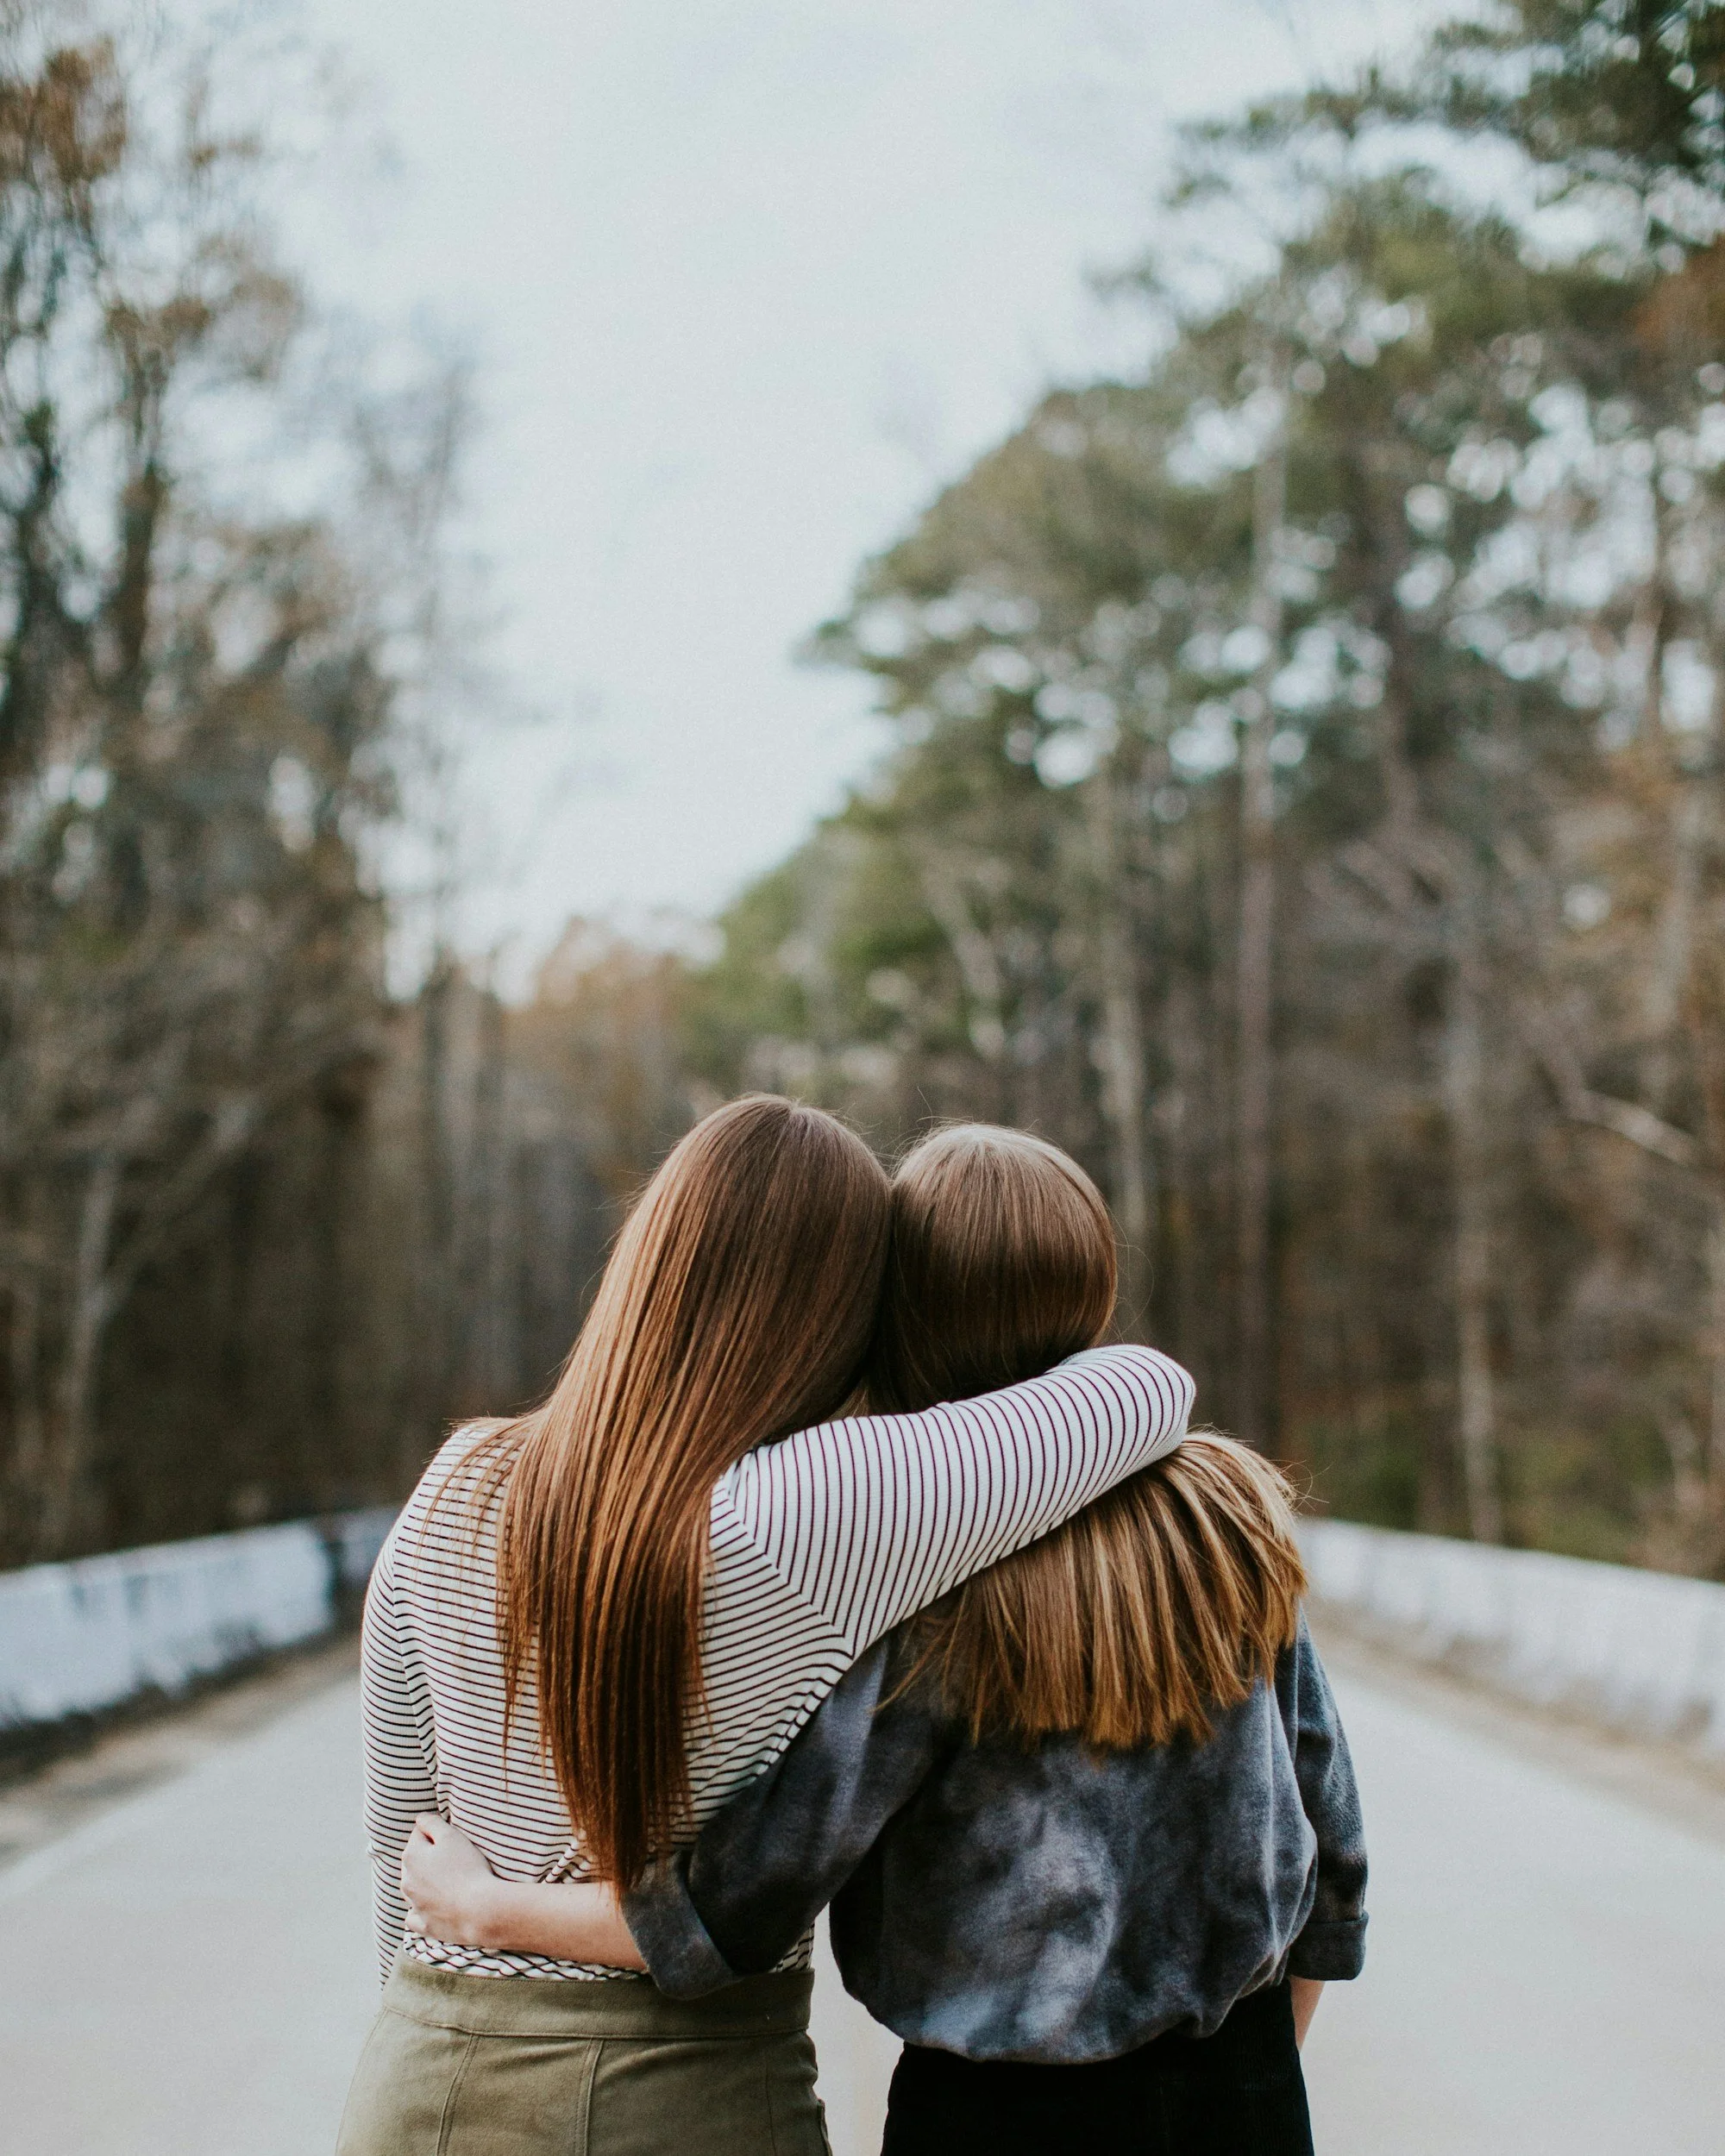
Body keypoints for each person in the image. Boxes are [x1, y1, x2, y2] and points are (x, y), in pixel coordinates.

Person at [400, 1123, 1364, 2156]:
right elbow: (1333, 1850)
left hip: (991, 2120)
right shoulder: (1229, 1519)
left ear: (897, 1310)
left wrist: (484, 1908)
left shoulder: (928, 1568)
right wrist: (1256, 2076)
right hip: (1247, 2091)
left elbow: (732, 1908)